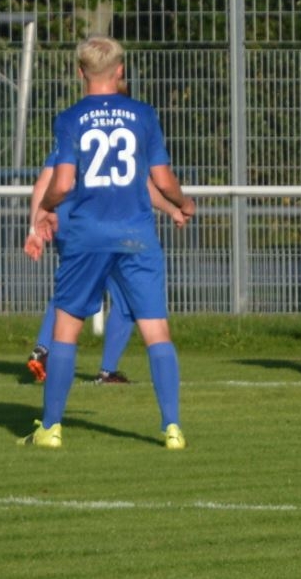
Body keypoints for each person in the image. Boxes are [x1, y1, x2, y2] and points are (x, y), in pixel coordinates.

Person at [19, 36, 195, 449]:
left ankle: (51, 428)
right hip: (137, 234)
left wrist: (45, 209)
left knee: (66, 328)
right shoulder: (143, 114)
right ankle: (172, 428)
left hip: (87, 236)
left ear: (80, 72)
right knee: (156, 329)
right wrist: (182, 203)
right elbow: (162, 178)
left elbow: (63, 182)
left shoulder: (70, 118)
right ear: (120, 71)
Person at [22, 146, 189, 385]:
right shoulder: (126, 137)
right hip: (109, 224)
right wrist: (173, 208)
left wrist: (34, 229)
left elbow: (43, 184)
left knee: (70, 290)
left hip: (68, 221)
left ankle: (44, 348)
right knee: (127, 297)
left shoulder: (72, 136)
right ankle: (106, 371)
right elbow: (145, 185)